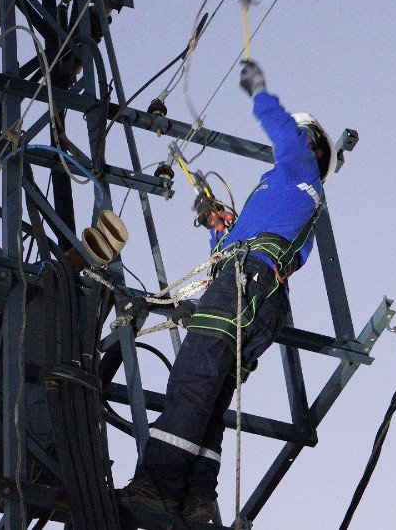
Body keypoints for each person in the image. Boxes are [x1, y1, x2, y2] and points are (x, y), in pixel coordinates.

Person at [117, 59, 336, 523]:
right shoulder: (295, 198)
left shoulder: (298, 162)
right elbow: (235, 249)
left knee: (195, 377)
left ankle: (155, 486)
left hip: (245, 284)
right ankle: (197, 500)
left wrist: (259, 89)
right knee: (212, 393)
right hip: (260, 294)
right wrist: (216, 225)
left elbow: (283, 131)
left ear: (309, 144)